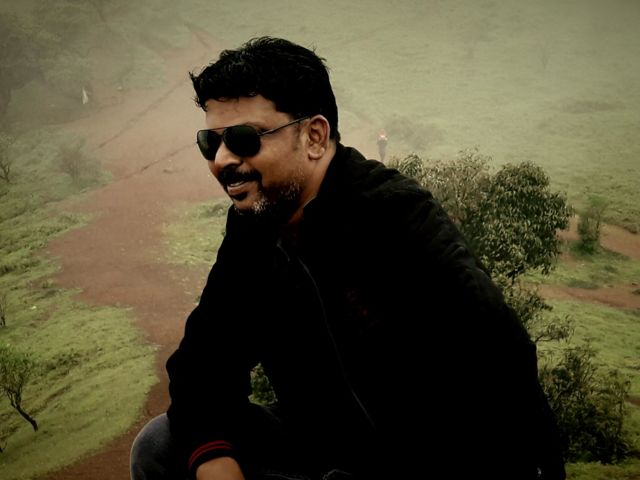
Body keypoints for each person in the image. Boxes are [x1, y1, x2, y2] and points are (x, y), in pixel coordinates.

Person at [130, 36, 566, 480]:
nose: (223, 160)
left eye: (244, 139)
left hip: (432, 458)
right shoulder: (255, 226)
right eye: (211, 142)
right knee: (161, 446)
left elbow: (504, 364)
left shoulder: (395, 217)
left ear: (314, 137)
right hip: (321, 445)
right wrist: (213, 462)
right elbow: (203, 364)